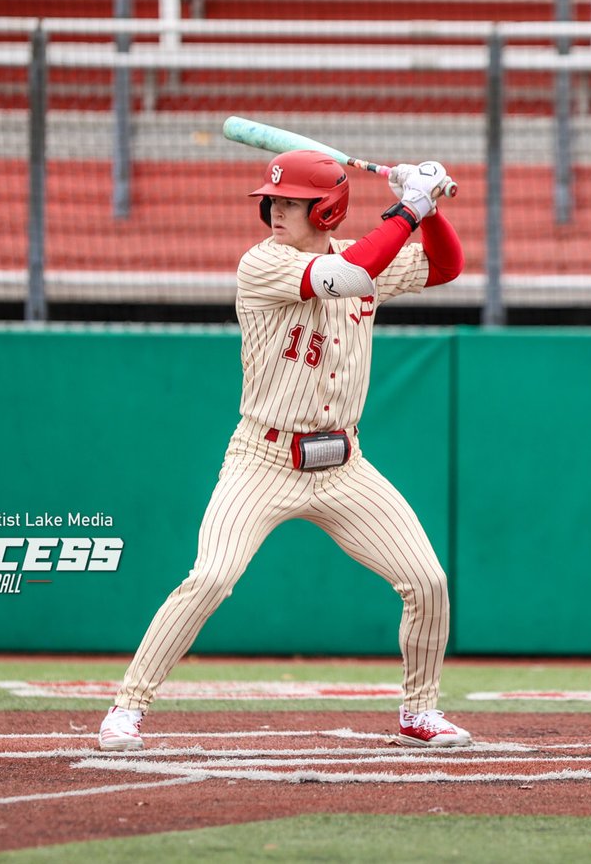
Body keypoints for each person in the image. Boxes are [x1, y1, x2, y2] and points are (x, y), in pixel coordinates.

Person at [98, 151, 471, 751]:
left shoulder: (363, 254)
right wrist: (409, 206)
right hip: (263, 460)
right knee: (211, 577)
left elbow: (447, 267)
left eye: (292, 203)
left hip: (344, 465)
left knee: (427, 581)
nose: (275, 211)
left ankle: (419, 711)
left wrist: (428, 212)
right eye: (272, 201)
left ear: (326, 210)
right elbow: (349, 274)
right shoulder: (263, 263)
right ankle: (127, 707)